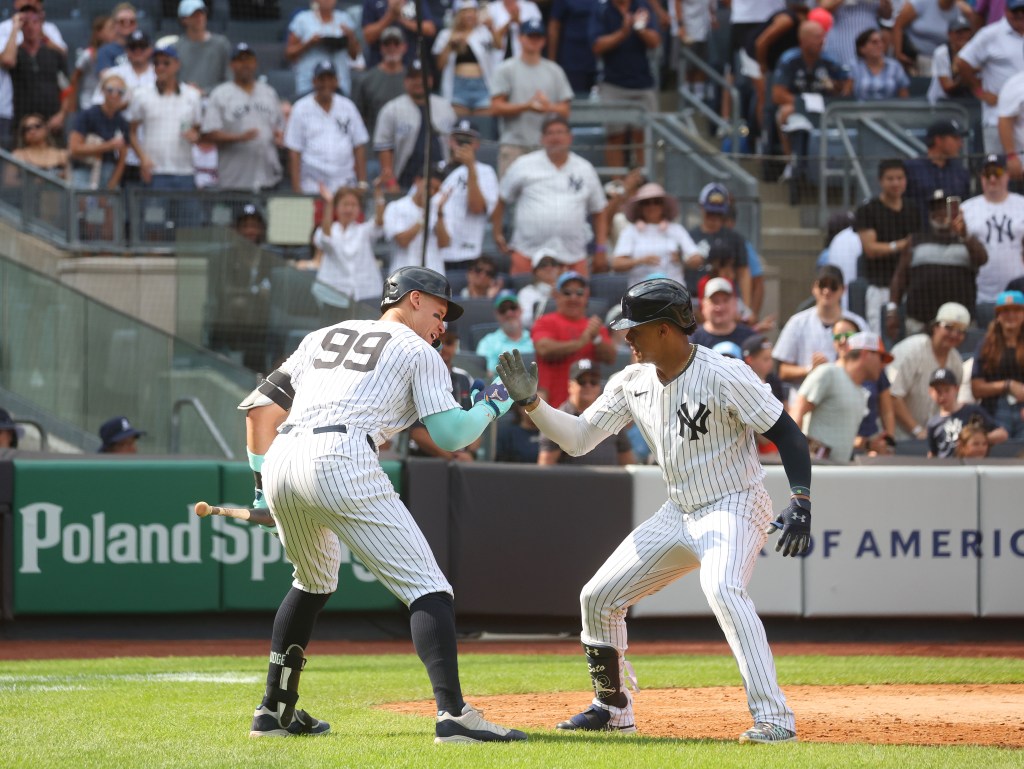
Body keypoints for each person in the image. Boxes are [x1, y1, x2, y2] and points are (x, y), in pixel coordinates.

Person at [494, 277, 813, 743]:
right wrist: (532, 403)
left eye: (635, 328)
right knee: (597, 598)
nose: (626, 337)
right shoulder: (631, 381)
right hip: (678, 509)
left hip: (734, 503)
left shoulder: (726, 374)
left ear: (665, 328)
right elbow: (580, 439)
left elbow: (788, 434)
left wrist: (800, 498)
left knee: (723, 587)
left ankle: (775, 719)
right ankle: (612, 707)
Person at [240, 265, 526, 743]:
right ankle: (453, 714)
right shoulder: (417, 350)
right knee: (428, 588)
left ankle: (273, 711)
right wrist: (497, 401)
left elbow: (261, 411)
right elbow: (452, 434)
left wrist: (258, 490)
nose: (443, 326)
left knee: (311, 582)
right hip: (341, 455)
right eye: (439, 312)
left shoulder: (323, 334)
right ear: (413, 299)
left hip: (282, 457)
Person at [493, 115, 608, 275]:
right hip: (528, 253)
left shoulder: (585, 168)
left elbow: (599, 210)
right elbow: (501, 198)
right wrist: (497, 233)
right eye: (550, 133)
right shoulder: (523, 164)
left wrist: (601, 248)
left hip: (572, 255)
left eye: (560, 132)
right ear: (542, 139)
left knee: (574, 299)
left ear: (570, 137)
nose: (555, 138)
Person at [890, 188, 986, 336]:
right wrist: (892, 310)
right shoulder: (915, 240)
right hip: (920, 322)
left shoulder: (967, 241)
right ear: (929, 214)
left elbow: (982, 259)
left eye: (945, 209)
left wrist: (965, 235)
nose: (940, 214)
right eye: (935, 209)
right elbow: (900, 277)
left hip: (960, 325)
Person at [488, 18, 573, 177]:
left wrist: (549, 107)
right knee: (510, 197)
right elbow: (495, 107)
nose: (534, 41)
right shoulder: (506, 69)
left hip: (547, 146)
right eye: (530, 36)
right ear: (520, 38)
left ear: (544, 40)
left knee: (546, 196)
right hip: (514, 144)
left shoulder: (554, 70)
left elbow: (566, 110)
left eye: (538, 37)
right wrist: (526, 106)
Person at [201, 43, 285, 192]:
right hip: (235, 178)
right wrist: (239, 137)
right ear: (232, 65)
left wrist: (279, 136)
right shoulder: (220, 94)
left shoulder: (269, 92)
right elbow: (209, 133)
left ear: (255, 63)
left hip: (268, 176)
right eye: (240, 60)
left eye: (249, 60)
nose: (245, 64)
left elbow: (280, 127)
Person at [589, 0, 661, 170]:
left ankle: (643, 183)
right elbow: (596, 46)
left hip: (643, 84)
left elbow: (655, 41)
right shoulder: (602, 9)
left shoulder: (642, 6)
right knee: (615, 136)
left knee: (645, 138)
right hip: (613, 84)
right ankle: (618, 187)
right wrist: (623, 32)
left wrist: (639, 28)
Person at [773, 266, 869, 391]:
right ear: (814, 287)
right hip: (806, 396)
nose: (827, 291)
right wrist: (810, 369)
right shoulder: (797, 322)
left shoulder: (857, 323)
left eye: (833, 286)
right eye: (822, 285)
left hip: (845, 395)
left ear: (843, 289)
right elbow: (782, 370)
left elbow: (868, 363)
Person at [531, 270, 616, 409]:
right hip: (553, 407)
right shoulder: (545, 322)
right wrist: (580, 343)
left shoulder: (594, 327)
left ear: (586, 296)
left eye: (579, 293)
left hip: (588, 410)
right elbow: (543, 348)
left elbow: (611, 357)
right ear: (557, 295)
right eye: (567, 292)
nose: (574, 298)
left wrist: (596, 339)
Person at [854, 158, 921, 334]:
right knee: (878, 337)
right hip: (880, 286)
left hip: (909, 289)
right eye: (890, 178)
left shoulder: (913, 208)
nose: (896, 183)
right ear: (880, 181)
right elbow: (870, 249)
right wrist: (900, 245)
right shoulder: (868, 210)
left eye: (900, 178)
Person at [887, 301, 971, 440]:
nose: (954, 334)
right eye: (949, 328)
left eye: (960, 331)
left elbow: (950, 404)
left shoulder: (956, 361)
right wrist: (917, 430)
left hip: (931, 440)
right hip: (898, 436)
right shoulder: (911, 350)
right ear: (935, 327)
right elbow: (893, 396)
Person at [285, 60, 369, 194]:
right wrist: (297, 191)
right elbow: (294, 151)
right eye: (321, 79)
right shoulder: (300, 108)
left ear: (337, 81)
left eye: (330, 79)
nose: (326, 84)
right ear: (314, 81)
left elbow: (359, 145)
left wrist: (362, 183)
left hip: (345, 185)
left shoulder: (348, 107)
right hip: (312, 186)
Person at [127, 44, 202, 194]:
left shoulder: (193, 95)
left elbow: (198, 129)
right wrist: (143, 159)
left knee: (187, 218)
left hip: (185, 170)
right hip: (155, 170)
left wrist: (195, 135)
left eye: (166, 63)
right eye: (156, 63)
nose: (160, 67)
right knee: (153, 217)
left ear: (177, 65)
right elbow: (131, 132)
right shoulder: (141, 94)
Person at [373, 59, 457, 193]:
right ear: (405, 81)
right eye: (414, 77)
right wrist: (390, 182)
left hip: (442, 178)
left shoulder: (445, 107)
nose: (419, 81)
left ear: (430, 80)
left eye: (422, 76)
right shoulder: (391, 109)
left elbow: (455, 145)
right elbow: (384, 148)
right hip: (405, 179)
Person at [955, 1, 1024, 154]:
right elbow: (962, 62)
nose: (1020, 18)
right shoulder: (991, 34)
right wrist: (979, 90)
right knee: (997, 170)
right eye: (1016, 14)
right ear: (1006, 11)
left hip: (1022, 120)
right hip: (997, 117)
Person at [537, 358, 635, 463]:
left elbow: (627, 461)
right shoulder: (556, 419)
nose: (588, 386)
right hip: (573, 479)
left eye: (593, 382)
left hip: (608, 479)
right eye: (582, 381)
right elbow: (545, 468)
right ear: (570, 386)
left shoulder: (612, 413)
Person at [310, 183, 385, 318]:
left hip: (366, 293)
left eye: (353, 205)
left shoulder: (363, 230)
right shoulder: (328, 229)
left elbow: (379, 222)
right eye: (345, 204)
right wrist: (329, 203)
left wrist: (378, 193)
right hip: (333, 294)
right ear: (336, 207)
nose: (349, 209)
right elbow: (326, 240)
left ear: (359, 209)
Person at [405, 328, 482, 460]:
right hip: (422, 459)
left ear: (456, 345)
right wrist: (449, 457)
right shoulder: (416, 376)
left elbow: (476, 420)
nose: (443, 347)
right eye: (437, 341)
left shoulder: (464, 378)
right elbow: (416, 432)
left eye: (449, 342)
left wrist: (470, 454)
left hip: (461, 458)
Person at [1, 1, 71, 139]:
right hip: (22, 121)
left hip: (51, 120)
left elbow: (67, 88)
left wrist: (62, 115)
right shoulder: (17, 52)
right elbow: (7, 60)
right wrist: (15, 27)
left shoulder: (53, 53)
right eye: (26, 23)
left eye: (35, 21)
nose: (31, 27)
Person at [961, 154, 1024, 306]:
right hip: (980, 292)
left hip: (1019, 291)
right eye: (987, 174)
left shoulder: (1021, 204)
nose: (992, 179)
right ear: (981, 177)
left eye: (998, 173)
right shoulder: (966, 208)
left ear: (1007, 175)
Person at [611, 182, 702, 287]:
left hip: (674, 293)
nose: (652, 206)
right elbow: (616, 264)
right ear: (640, 207)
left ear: (663, 206)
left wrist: (682, 260)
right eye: (646, 202)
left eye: (656, 202)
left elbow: (697, 259)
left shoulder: (677, 230)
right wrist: (640, 261)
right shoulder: (630, 231)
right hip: (640, 295)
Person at [438, 120, 499, 271]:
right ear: (450, 141)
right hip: (435, 254)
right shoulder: (436, 169)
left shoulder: (485, 172)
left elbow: (477, 207)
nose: (462, 145)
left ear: (477, 144)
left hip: (467, 253)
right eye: (459, 140)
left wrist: (470, 167)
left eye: (468, 141)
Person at [686, 183, 751, 310]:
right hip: (693, 301)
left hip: (724, 300)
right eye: (710, 212)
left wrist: (747, 308)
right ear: (701, 207)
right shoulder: (688, 237)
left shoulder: (735, 238)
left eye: (718, 213)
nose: (714, 217)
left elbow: (743, 273)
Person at [970, 289, 1024, 439]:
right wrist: (1008, 385)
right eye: (1005, 311)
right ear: (998, 315)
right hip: (994, 410)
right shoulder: (986, 345)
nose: (1011, 315)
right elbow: (977, 388)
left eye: (1017, 310)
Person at [926, 366, 1008, 457]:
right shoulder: (932, 423)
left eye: (947, 390)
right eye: (938, 391)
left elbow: (1002, 434)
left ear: (956, 389)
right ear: (930, 392)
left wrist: (978, 440)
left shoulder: (972, 411)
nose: (943, 396)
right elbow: (933, 453)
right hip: (946, 467)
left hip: (970, 466)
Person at [433, 0, 496, 117]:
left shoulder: (484, 32)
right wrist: (449, 45)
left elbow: (498, 48)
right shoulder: (445, 34)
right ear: (457, 14)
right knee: (460, 128)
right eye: (465, 11)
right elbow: (440, 66)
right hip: (458, 87)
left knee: (484, 128)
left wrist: (491, 27)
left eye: (472, 11)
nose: (469, 15)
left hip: (482, 86)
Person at [287, 0, 361, 98]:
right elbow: (289, 53)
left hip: (339, 82)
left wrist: (350, 37)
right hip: (309, 82)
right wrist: (309, 43)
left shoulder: (345, 19)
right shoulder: (302, 19)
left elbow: (354, 56)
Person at [903, 118, 971, 224]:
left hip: (952, 235)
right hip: (920, 234)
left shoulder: (960, 172)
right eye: (955, 138)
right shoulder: (911, 169)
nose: (960, 144)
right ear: (938, 140)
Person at [68, 72, 129, 190]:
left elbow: (123, 157)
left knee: (109, 204)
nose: (114, 95)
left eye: (120, 91)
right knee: (81, 205)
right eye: (110, 90)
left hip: (108, 169)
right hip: (84, 168)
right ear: (102, 91)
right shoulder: (88, 115)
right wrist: (108, 145)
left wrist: (113, 183)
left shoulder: (122, 121)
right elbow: (74, 148)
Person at [382, 171, 450, 275]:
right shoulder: (396, 207)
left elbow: (444, 243)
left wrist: (439, 212)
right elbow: (403, 241)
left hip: (433, 273)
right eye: (428, 186)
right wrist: (424, 216)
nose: (431, 192)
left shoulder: (439, 209)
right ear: (417, 181)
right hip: (404, 274)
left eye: (436, 189)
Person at [351, 26, 407, 140]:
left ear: (404, 47)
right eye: (387, 44)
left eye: (396, 43)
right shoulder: (366, 80)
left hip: (406, 146)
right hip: (375, 145)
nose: (392, 47)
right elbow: (358, 119)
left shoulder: (412, 78)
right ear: (381, 47)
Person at [891, 0, 970, 76]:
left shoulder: (959, 9)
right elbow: (898, 25)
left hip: (942, 58)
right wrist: (899, 53)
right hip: (914, 56)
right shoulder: (921, 2)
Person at [174, 0, 231, 95]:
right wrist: (185, 89)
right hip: (184, 102)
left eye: (202, 13)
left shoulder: (221, 44)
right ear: (183, 20)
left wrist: (205, 91)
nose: (199, 18)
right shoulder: (176, 47)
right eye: (193, 15)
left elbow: (230, 80)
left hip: (216, 101)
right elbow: (172, 80)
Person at [361, 0, 436, 70]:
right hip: (379, 67)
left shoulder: (416, 1)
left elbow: (430, 29)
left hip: (411, 65)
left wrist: (402, 19)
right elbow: (368, 37)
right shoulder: (371, 2)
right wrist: (390, 16)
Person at [547, 0, 599, 97]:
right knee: (574, 103)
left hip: (597, 62)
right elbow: (554, 26)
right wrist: (551, 63)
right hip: (572, 62)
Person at [476, 290, 534, 374]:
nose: (509, 313)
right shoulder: (488, 343)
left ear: (521, 310)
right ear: (496, 314)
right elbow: (486, 375)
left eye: (513, 307)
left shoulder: (534, 339)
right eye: (503, 310)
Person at [689, 277, 756, 349]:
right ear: (703, 305)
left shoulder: (750, 339)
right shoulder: (691, 341)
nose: (720, 307)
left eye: (725, 300)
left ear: (735, 303)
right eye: (715, 301)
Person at [926, 15, 974, 105]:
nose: (963, 36)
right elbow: (947, 88)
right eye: (959, 32)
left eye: (966, 31)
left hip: (966, 100)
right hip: (941, 102)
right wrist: (965, 72)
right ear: (950, 34)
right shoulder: (941, 53)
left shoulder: (975, 52)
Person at [851, 27, 910, 101]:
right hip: (861, 111)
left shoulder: (895, 67)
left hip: (890, 111)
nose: (879, 45)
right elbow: (847, 95)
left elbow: (904, 97)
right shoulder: (854, 67)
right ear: (862, 48)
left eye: (881, 41)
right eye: (874, 42)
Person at [517, 246, 563, 326]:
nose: (549, 267)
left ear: (558, 269)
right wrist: (549, 300)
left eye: (553, 263)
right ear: (535, 271)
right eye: (543, 264)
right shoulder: (526, 292)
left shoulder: (566, 291)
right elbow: (523, 320)